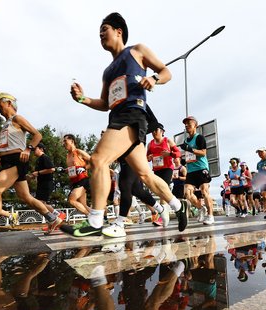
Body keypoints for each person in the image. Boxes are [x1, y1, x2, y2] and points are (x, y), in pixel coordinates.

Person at [68, 12, 188, 236]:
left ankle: (95, 221)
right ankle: (179, 206)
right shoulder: (108, 71)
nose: (101, 34)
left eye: (105, 29)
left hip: (132, 115)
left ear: (118, 31)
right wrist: (83, 99)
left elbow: (166, 71)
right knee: (144, 175)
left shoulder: (137, 50)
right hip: (116, 117)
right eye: (99, 32)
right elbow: (104, 103)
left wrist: (153, 79)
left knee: (97, 160)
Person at [0, 93, 63, 239]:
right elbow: (8, 145)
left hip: (17, 160)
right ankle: (52, 218)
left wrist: (28, 149)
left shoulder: (17, 118)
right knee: (26, 197)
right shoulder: (6, 124)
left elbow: (37, 135)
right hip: (8, 161)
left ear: (9, 103)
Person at [181, 116, 215, 225]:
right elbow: (188, 156)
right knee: (187, 194)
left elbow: (203, 153)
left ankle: (210, 215)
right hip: (190, 171)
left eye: (189, 124)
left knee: (204, 191)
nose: (186, 126)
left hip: (201, 168)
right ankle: (201, 208)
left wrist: (191, 149)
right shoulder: (186, 140)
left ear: (195, 125)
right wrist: (183, 160)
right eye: (185, 124)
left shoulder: (199, 137)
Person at [147, 122, 181, 226]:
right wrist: (149, 158)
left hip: (167, 168)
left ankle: (163, 219)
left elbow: (178, 153)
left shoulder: (168, 141)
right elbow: (146, 157)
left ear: (162, 131)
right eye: (152, 131)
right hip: (157, 170)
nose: (153, 133)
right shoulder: (150, 144)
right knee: (159, 191)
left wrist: (169, 154)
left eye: (155, 130)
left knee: (163, 189)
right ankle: (174, 202)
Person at [62, 134, 91, 215]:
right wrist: (66, 170)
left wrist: (84, 168)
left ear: (72, 141)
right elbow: (73, 169)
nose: (63, 143)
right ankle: (98, 218)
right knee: (84, 205)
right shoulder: (68, 155)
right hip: (75, 182)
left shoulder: (78, 152)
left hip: (83, 180)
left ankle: (91, 217)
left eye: (65, 141)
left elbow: (93, 161)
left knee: (71, 200)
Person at [27, 143, 56, 215]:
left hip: (46, 183)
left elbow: (52, 169)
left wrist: (38, 173)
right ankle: (53, 219)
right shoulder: (38, 160)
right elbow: (37, 173)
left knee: (39, 203)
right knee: (39, 205)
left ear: (41, 149)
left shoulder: (44, 157)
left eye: (35, 149)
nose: (34, 151)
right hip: (41, 184)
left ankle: (57, 214)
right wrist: (31, 176)